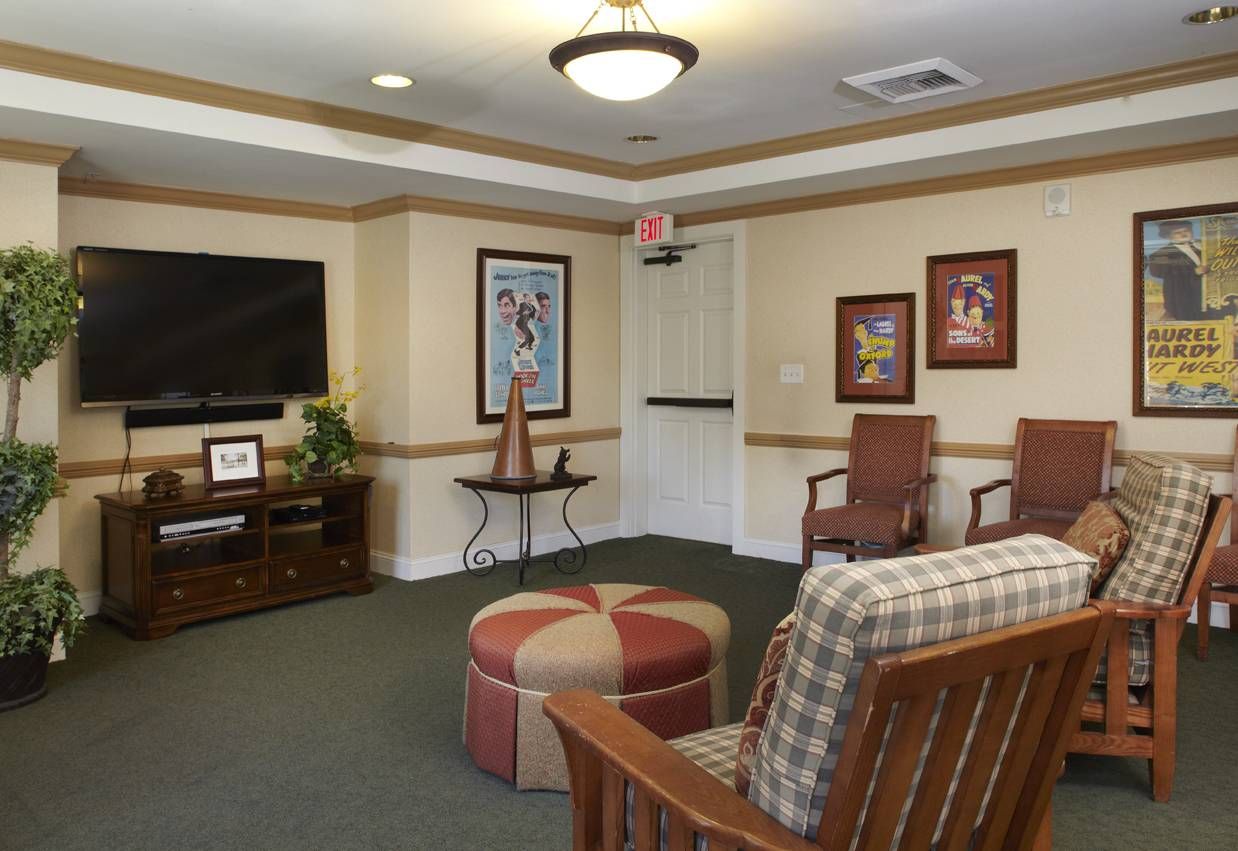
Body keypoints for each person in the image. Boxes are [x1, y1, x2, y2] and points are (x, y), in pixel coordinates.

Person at [1148, 220, 1210, 321]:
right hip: (1182, 296)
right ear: (1169, 236)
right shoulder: (1161, 254)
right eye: (1177, 232)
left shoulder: (1200, 247)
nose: (1183, 234)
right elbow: (1157, 272)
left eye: (1186, 231)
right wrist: (1194, 272)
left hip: (1206, 295)